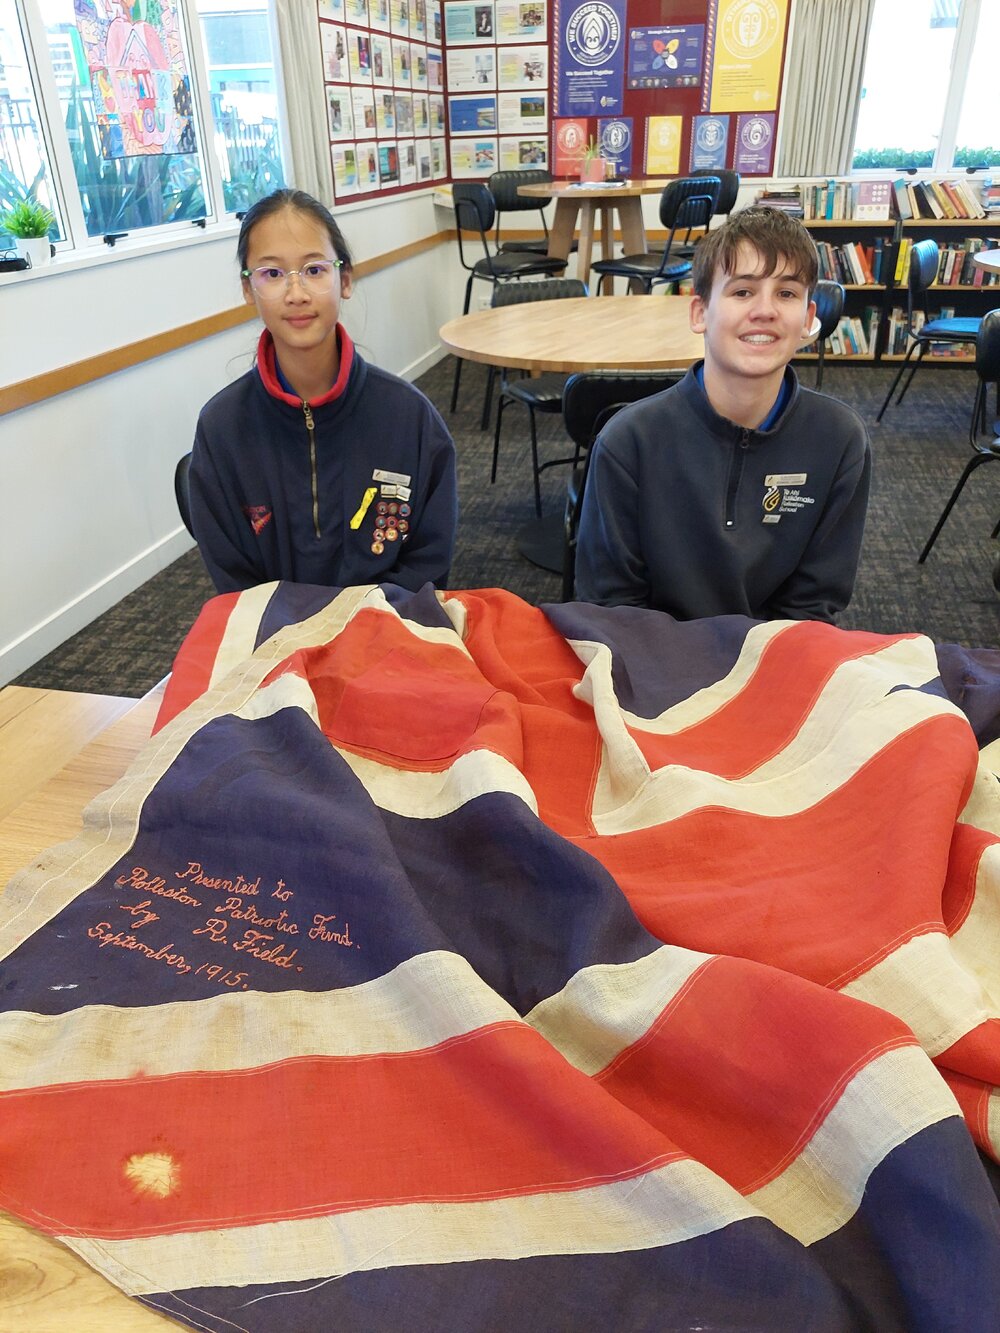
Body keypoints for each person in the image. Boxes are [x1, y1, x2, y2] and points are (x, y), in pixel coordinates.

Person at [575, 206, 871, 622]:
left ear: (807, 319)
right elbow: (612, 606)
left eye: (786, 293)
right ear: (700, 313)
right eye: (742, 291)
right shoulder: (628, 441)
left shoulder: (839, 440)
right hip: (655, 666)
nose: (765, 310)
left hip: (772, 666)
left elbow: (812, 608)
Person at [189, 189, 457, 595]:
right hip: (274, 646)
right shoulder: (222, 429)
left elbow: (428, 564)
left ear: (344, 279)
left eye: (314, 270)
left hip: (387, 637)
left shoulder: (411, 419)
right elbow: (235, 583)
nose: (296, 294)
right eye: (272, 274)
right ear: (249, 290)